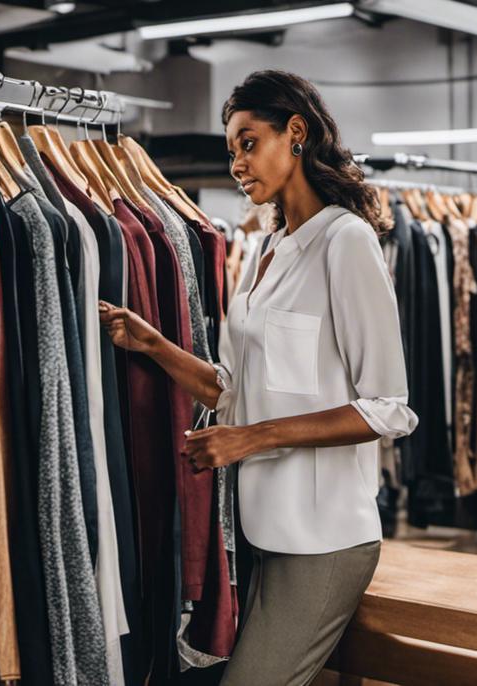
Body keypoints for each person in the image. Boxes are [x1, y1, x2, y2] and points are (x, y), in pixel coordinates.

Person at [98, 70, 417, 685]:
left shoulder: (345, 242)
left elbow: (388, 407)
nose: (237, 164)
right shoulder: (264, 251)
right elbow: (232, 388)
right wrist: (154, 344)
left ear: (296, 133)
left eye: (248, 143)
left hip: (325, 542)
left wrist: (250, 438)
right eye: (230, 151)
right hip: (259, 533)